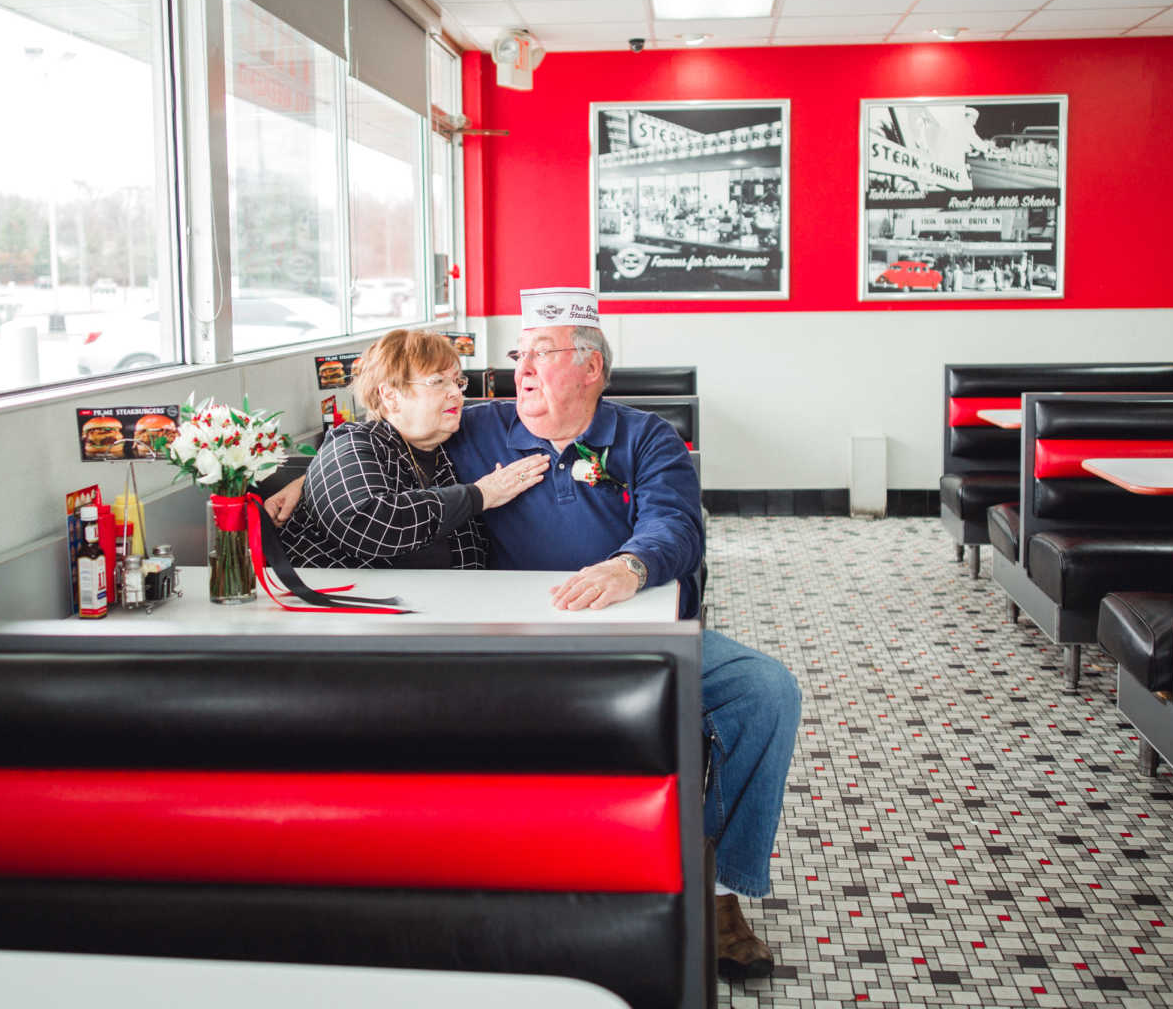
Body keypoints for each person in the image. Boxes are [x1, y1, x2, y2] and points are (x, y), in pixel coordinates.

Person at [265, 293, 801, 980]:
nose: (520, 369)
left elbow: (677, 523)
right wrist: (296, 475)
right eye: (520, 354)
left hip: (628, 625)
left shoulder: (646, 438)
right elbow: (386, 432)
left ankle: (723, 894)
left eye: (541, 354)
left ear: (591, 371)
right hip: (512, 636)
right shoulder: (480, 428)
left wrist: (628, 565)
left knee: (764, 691)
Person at [265, 329, 547, 569]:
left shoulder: (447, 445)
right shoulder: (353, 442)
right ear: (390, 395)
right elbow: (367, 524)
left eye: (457, 381)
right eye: (438, 381)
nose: (456, 392)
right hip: (341, 619)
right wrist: (481, 494)